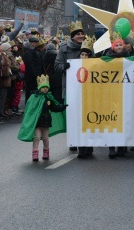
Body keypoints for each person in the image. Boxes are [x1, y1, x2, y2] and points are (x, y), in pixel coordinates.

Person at [55, 21, 88, 157]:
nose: (80, 36)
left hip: (86, 87)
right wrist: (65, 67)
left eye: (82, 34)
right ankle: (73, 140)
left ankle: (84, 141)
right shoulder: (64, 48)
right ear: (73, 36)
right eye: (78, 34)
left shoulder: (87, 47)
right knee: (73, 115)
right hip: (70, 87)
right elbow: (57, 66)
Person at [17, 74, 67, 161]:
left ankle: (46, 152)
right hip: (37, 122)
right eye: (43, 87)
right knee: (37, 137)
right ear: (39, 87)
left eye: (47, 87)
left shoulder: (49, 98)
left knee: (45, 138)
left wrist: (62, 107)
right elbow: (30, 110)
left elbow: (53, 107)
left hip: (46, 122)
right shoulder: (34, 97)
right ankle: (35, 153)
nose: (45, 89)